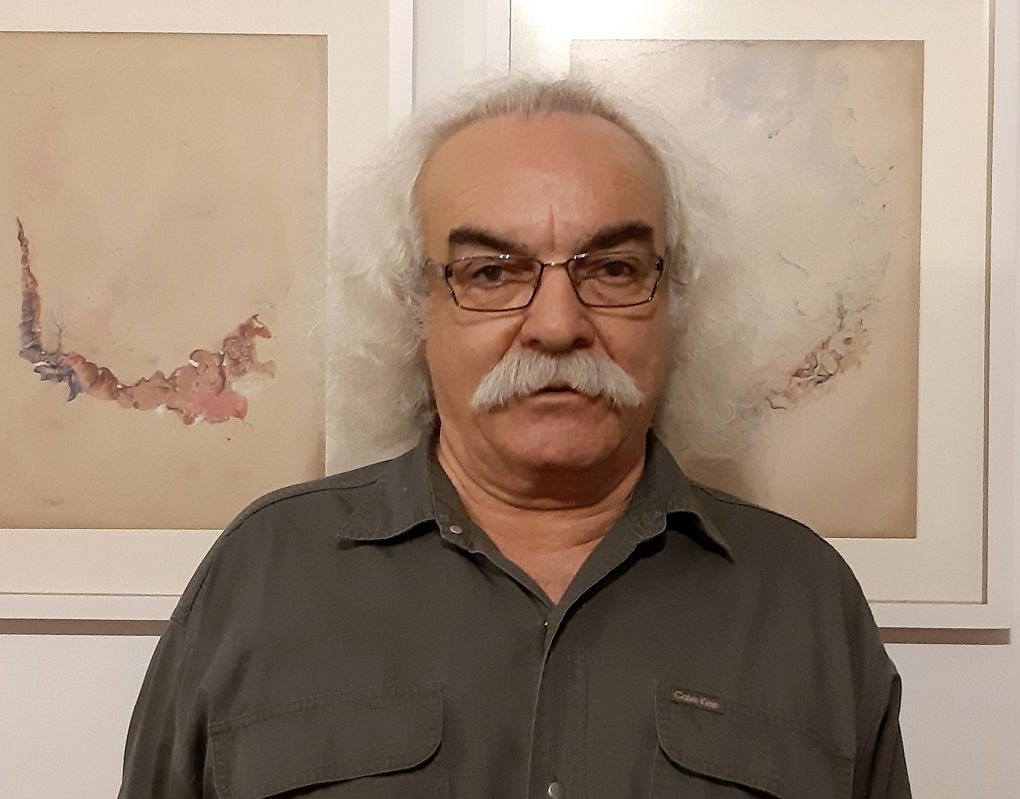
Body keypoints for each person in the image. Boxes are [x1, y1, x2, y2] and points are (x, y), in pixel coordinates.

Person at [118, 77, 911, 798]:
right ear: (412, 310)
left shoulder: (805, 603)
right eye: (492, 273)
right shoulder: (262, 578)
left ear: (676, 303)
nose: (558, 326)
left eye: (614, 269)